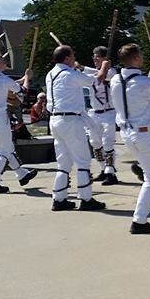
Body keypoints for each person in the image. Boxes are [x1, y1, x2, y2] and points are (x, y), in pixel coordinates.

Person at [111, 44, 150, 234]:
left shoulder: (116, 80)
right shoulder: (143, 82)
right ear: (135, 59)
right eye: (140, 56)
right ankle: (139, 220)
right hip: (144, 134)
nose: (142, 58)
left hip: (126, 133)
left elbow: (147, 86)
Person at [46, 45, 109, 212]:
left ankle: (59, 198)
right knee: (82, 161)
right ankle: (86, 198)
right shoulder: (69, 74)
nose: (74, 58)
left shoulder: (50, 74)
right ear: (67, 58)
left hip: (55, 120)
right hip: (71, 120)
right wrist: (104, 67)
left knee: (63, 162)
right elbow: (96, 80)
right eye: (72, 55)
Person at [0, 52, 38, 194]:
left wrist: (23, 78)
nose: (5, 63)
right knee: (3, 152)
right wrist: (27, 78)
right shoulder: (3, 79)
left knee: (7, 147)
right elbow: (23, 92)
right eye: (3, 61)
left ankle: (21, 174)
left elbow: (7, 85)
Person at [83, 46, 119, 186]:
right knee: (95, 142)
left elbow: (104, 75)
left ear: (105, 59)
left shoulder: (112, 72)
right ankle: (103, 169)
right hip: (94, 113)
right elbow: (92, 75)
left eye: (97, 56)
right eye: (94, 56)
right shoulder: (92, 73)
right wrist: (80, 68)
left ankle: (111, 172)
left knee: (108, 142)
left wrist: (83, 67)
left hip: (108, 112)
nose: (94, 58)